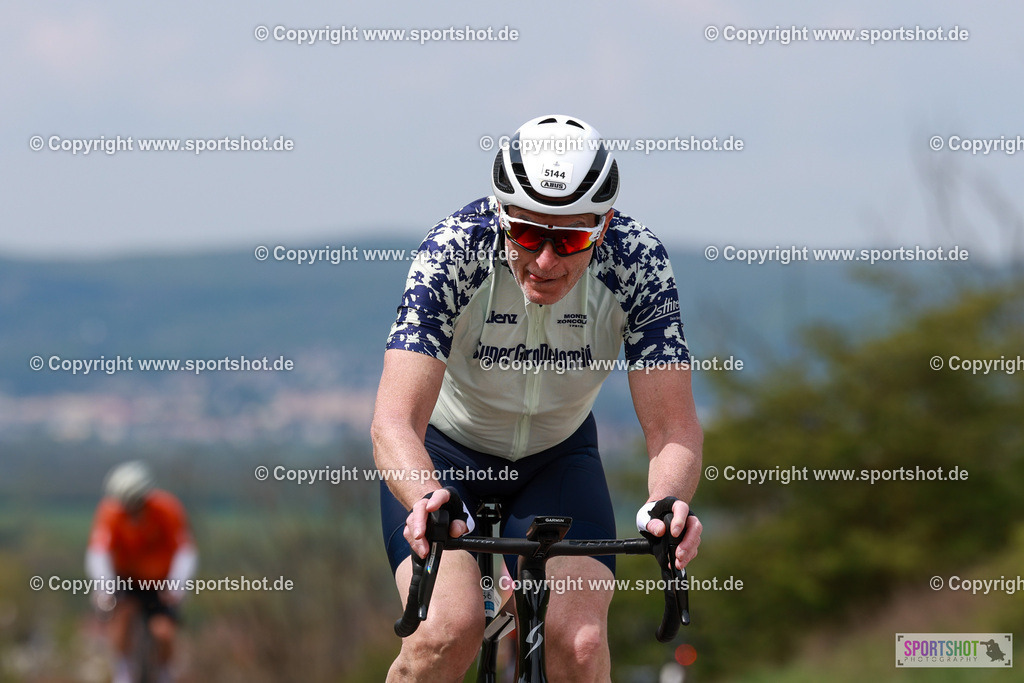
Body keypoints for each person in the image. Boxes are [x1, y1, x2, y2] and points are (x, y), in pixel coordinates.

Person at [373, 114, 703, 682]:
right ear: (501, 217)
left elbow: (673, 427)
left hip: (557, 455)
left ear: (602, 228)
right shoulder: (454, 249)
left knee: (577, 644)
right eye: (526, 234)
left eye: (569, 238)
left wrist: (665, 502)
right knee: (447, 633)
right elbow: (394, 420)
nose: (545, 260)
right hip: (447, 455)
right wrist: (425, 493)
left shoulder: (638, 262)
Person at [86, 461, 197, 683]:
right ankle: (124, 672)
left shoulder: (167, 509)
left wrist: (176, 585)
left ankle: (164, 673)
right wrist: (104, 587)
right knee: (121, 621)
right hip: (126, 578)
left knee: (163, 632)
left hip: (161, 581)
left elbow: (185, 552)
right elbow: (98, 553)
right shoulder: (110, 513)